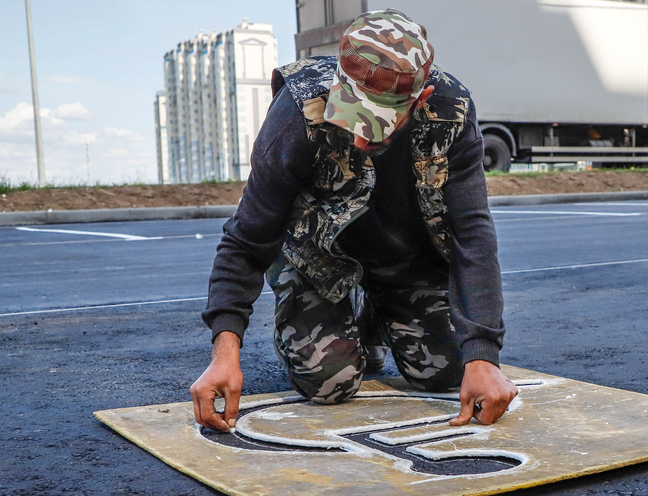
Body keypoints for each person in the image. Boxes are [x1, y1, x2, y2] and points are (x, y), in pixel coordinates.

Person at [190, 9, 517, 433]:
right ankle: (337, 313)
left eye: (378, 124)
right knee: (329, 383)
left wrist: (483, 356)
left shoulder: (450, 114)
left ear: (420, 100)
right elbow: (248, 236)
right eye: (351, 115)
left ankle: (377, 310)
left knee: (451, 374)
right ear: (339, 84)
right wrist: (224, 349)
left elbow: (471, 234)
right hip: (318, 260)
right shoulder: (299, 110)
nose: (362, 138)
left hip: (407, 262)